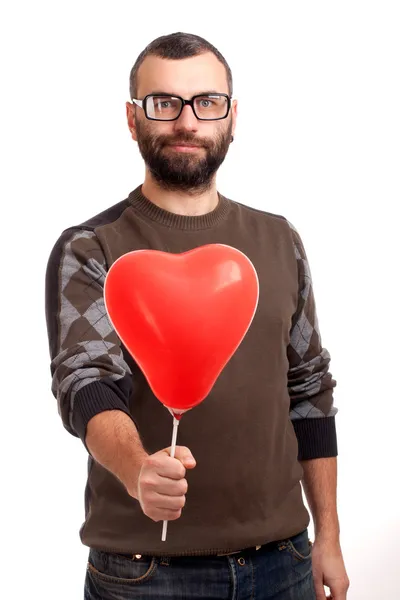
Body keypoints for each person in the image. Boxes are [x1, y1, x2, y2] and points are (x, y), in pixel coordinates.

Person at [45, 32, 350, 600]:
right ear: (134, 120)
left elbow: (309, 390)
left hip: (283, 560)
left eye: (206, 103)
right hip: (145, 574)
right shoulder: (90, 248)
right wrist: (137, 468)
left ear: (231, 118)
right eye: (164, 103)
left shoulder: (280, 239)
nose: (187, 121)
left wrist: (327, 535)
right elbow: (85, 385)